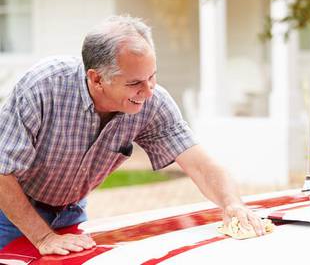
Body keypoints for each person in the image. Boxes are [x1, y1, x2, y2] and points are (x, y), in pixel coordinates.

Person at [0, 15, 265, 255]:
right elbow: (2, 171)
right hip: (9, 214)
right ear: (96, 79)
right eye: (134, 83)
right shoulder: (43, 87)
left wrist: (232, 205)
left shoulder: (152, 102)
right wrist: (43, 237)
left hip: (71, 212)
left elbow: (199, 163)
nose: (148, 91)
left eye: (152, 76)